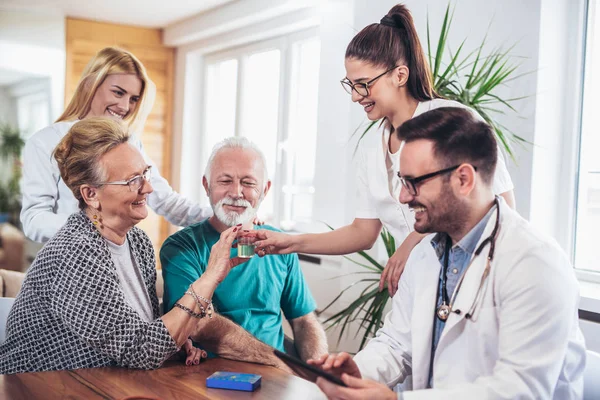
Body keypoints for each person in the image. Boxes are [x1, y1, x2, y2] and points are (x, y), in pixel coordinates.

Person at [307, 108, 585, 399]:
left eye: (413, 182)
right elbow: (396, 344)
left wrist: (395, 399)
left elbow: (519, 390)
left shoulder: (534, 262)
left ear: (463, 179)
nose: (403, 197)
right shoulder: (426, 253)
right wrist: (357, 371)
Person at [251, 4, 516, 296]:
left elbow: (502, 206)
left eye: (363, 85)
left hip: (472, 282)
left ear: (400, 75)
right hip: (415, 290)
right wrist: (291, 243)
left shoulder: (454, 120)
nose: (355, 97)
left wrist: (410, 242)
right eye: (350, 85)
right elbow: (363, 232)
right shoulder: (371, 148)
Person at [0, 118, 290, 374]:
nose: (148, 188)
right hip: (36, 386)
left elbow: (147, 330)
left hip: (104, 382)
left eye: (145, 174)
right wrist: (211, 275)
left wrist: (179, 344)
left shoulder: (137, 241)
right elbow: (140, 350)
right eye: (132, 180)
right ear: (91, 194)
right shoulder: (74, 253)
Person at [160, 137, 328, 361]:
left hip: (278, 381)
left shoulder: (280, 246)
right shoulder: (181, 247)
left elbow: (304, 321)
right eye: (225, 181)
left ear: (265, 189)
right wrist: (279, 363)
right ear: (206, 186)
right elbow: (199, 324)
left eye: (248, 183)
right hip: (207, 380)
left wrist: (319, 374)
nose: (237, 192)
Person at [20, 47, 212, 243]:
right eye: (118, 93)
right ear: (90, 85)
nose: (125, 107)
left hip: (116, 260)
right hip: (66, 263)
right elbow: (34, 219)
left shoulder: (130, 143)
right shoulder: (45, 141)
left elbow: (166, 201)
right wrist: (98, 228)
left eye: (133, 99)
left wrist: (220, 220)